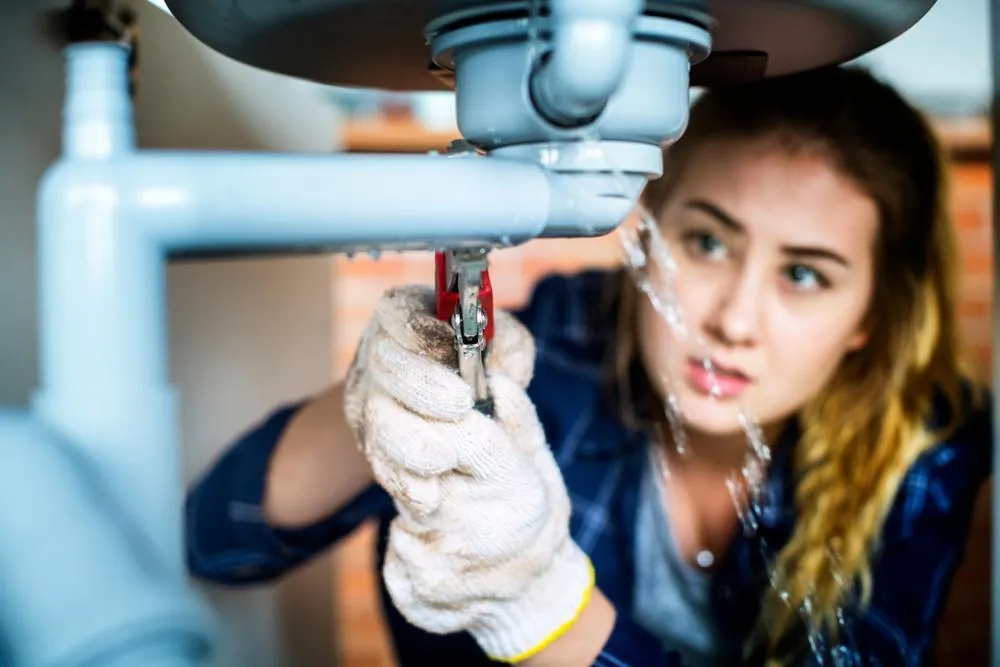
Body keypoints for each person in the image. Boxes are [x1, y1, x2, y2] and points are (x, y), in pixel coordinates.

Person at [184, 65, 992, 667]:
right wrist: (370, 405)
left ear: (870, 317)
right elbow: (216, 541)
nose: (733, 320)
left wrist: (541, 605)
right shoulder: (566, 339)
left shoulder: (922, 442)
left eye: (804, 273)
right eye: (707, 242)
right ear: (646, 233)